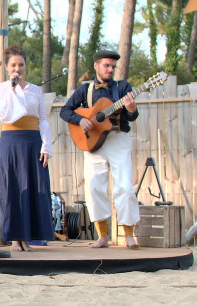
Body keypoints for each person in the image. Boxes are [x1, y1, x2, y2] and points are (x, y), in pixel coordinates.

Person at [59, 50, 140, 249]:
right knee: (95, 188)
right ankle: (102, 236)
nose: (110, 69)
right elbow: (65, 111)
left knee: (124, 187)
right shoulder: (85, 89)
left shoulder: (123, 87)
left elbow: (131, 117)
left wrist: (131, 109)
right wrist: (81, 119)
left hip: (117, 139)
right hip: (93, 143)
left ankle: (128, 235)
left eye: (113, 66)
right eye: (107, 65)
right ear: (96, 65)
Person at [0, 45, 54, 252]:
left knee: (34, 187)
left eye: (20, 64)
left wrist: (47, 146)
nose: (17, 69)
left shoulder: (35, 89)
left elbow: (43, 120)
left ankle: (28, 238)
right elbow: (4, 115)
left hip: (32, 141)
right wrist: (12, 89)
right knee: (12, 187)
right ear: (6, 67)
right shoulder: (1, 89)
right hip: (11, 141)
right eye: (13, 65)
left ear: (25, 66)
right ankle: (14, 239)